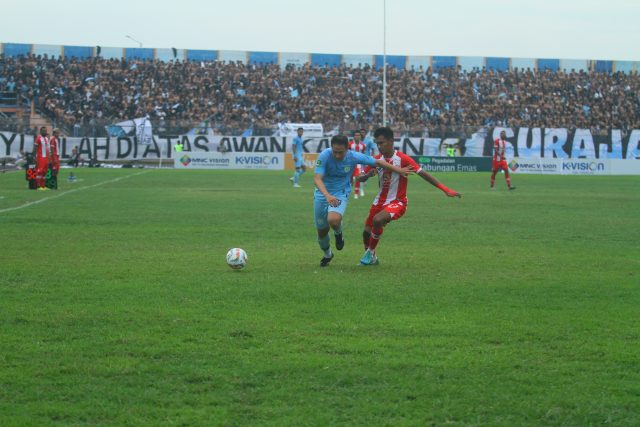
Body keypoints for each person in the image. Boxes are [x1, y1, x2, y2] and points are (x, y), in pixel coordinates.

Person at [357, 127, 462, 266]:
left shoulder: (403, 159)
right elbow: (360, 178)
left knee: (378, 220)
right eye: (377, 143)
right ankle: (372, 257)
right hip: (379, 201)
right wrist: (367, 175)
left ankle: (370, 252)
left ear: (391, 141)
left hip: (398, 201)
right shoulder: (376, 160)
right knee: (366, 233)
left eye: (382, 142)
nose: (379, 146)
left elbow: (423, 174)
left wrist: (445, 189)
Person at [313, 134, 413, 267]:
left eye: (340, 152)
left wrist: (399, 170)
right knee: (322, 231)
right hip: (322, 193)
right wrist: (326, 195)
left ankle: (338, 233)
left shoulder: (353, 156)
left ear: (347, 149)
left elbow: (378, 162)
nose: (337, 155)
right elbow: (317, 178)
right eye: (335, 152)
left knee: (333, 220)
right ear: (331, 148)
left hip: (341, 192)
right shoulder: (325, 155)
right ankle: (327, 254)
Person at [348, 131, 366, 199]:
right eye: (356, 135)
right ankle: (348, 191)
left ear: (360, 137)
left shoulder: (363, 145)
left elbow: (363, 154)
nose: (357, 136)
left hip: (358, 164)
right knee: (350, 179)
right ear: (354, 137)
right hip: (350, 163)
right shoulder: (350, 144)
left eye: (359, 135)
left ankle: (356, 193)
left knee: (358, 177)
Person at [32, 126, 50, 191]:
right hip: (40, 157)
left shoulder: (47, 139)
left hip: (46, 158)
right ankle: (38, 186)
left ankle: (43, 186)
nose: (45, 132)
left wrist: (49, 157)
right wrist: (34, 157)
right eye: (43, 131)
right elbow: (35, 147)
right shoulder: (38, 138)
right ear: (40, 131)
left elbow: (48, 148)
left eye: (45, 130)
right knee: (39, 172)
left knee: (45, 172)